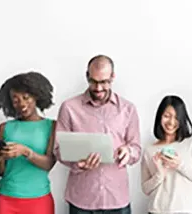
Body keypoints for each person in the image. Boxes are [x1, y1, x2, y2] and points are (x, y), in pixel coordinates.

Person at [54, 55, 141, 214]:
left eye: (104, 82)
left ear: (112, 77)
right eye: (93, 81)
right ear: (87, 76)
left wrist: (128, 152)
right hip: (82, 199)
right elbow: (58, 150)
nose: (98, 88)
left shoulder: (128, 109)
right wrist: (78, 165)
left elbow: (136, 148)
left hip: (117, 199)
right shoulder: (69, 108)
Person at [0, 71, 57, 214]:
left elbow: (49, 164)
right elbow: (0, 171)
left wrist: (25, 152)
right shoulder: (4, 128)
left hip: (39, 199)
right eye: (15, 100)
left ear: (36, 96)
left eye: (26, 97)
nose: (21, 104)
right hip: (7, 199)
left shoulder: (51, 126)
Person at [141, 95, 192, 214]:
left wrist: (180, 165)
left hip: (189, 210)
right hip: (157, 211)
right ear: (159, 117)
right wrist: (159, 174)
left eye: (176, 117)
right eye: (166, 116)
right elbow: (145, 189)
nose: (171, 122)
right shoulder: (149, 150)